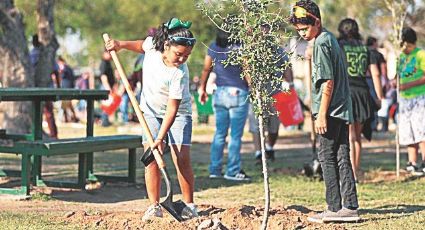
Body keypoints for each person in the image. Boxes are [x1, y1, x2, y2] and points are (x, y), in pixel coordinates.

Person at [105, 17, 198, 221]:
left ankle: (190, 205)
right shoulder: (153, 46)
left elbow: (173, 109)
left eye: (187, 56)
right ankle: (154, 205)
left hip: (179, 114)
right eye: (179, 54)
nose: (182, 59)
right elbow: (140, 45)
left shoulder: (179, 73)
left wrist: (161, 137)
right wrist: (120, 45)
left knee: (181, 157)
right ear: (166, 45)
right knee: (152, 158)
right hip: (150, 111)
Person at [289, 0, 359, 223]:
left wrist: (320, 114)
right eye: (298, 31)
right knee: (341, 157)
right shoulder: (329, 38)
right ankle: (349, 207)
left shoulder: (321, 43)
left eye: (305, 29)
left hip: (329, 111)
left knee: (326, 157)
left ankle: (333, 207)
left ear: (316, 21)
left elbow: (327, 82)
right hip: (341, 109)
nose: (302, 34)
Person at [198, 29, 251, 181]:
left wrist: (202, 88)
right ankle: (233, 170)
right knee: (235, 136)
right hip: (238, 92)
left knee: (220, 134)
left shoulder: (213, 47)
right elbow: (246, 69)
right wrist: (252, 86)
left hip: (219, 93)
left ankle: (214, 169)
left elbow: (206, 68)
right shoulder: (239, 48)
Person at [337, 18, 383, 181]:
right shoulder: (365, 49)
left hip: (346, 92)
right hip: (363, 93)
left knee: (349, 136)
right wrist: (379, 96)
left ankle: (348, 174)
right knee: (357, 135)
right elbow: (375, 73)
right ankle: (355, 172)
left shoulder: (338, 46)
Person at [248, 49, 294, 164]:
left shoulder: (278, 51)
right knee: (257, 126)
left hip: (275, 95)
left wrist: (291, 85)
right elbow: (246, 68)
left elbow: (287, 67)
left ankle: (269, 148)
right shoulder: (252, 49)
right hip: (257, 94)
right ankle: (259, 153)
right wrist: (251, 85)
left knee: (274, 126)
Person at [397, 27, 425, 176]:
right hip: (404, 100)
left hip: (419, 98)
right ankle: (412, 163)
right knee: (408, 131)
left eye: (406, 44)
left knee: (421, 130)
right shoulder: (401, 57)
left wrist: (408, 85)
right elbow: (398, 75)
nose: (404, 48)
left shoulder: (420, 54)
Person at [30, 34, 58, 139]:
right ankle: (53, 134)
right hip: (47, 88)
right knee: (48, 112)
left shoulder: (30, 55)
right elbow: (56, 71)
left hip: (33, 89)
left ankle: (38, 134)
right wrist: (58, 86)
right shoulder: (47, 55)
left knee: (37, 112)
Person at [366, 36, 389, 132]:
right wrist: (385, 81)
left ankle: (371, 125)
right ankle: (378, 124)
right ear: (374, 43)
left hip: (364, 80)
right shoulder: (378, 55)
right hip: (376, 80)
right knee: (378, 100)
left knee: (368, 102)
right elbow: (383, 69)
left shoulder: (364, 53)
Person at [57, 56, 79, 123]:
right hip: (69, 88)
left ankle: (62, 119)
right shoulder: (69, 68)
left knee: (64, 104)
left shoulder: (65, 68)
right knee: (68, 104)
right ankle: (71, 118)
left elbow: (62, 74)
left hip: (66, 88)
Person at [98, 50, 117, 127]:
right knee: (106, 104)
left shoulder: (108, 63)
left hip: (107, 86)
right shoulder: (104, 63)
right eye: (109, 53)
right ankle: (104, 122)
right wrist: (108, 88)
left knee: (109, 105)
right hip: (105, 86)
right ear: (104, 53)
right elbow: (103, 76)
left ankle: (106, 120)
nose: (111, 54)